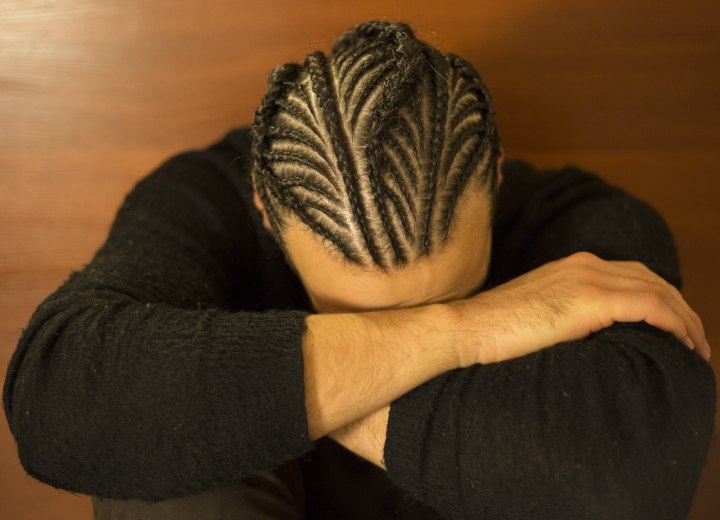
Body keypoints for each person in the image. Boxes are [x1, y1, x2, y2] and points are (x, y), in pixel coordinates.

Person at [3, 20, 715, 520]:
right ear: (266, 209)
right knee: (156, 468)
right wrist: (464, 328)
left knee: (165, 418)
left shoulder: (588, 233)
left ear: (493, 178)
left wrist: (243, 389)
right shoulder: (205, 200)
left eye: (451, 295)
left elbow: (631, 482)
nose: (409, 333)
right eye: (359, 315)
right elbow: (60, 398)